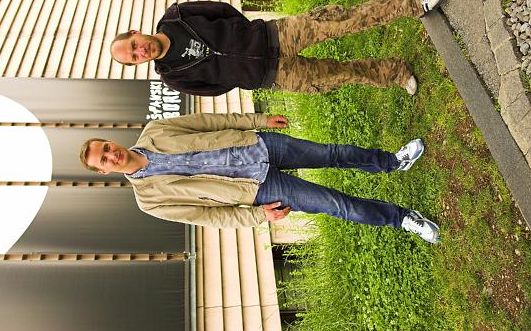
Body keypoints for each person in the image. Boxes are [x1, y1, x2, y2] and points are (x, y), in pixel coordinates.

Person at [79, 113, 439, 243]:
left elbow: (210, 123)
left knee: (333, 153)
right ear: (105, 171)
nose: (112, 155)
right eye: (104, 160)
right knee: (336, 205)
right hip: (258, 189)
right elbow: (208, 217)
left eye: (106, 147)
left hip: (257, 145)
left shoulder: (155, 130)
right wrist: (257, 215)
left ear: (111, 141)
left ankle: (393, 162)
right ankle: (402, 218)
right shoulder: (149, 200)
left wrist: (257, 120)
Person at [110, 0, 445, 96]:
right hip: (275, 77)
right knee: (341, 75)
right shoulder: (172, 76)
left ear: (135, 33)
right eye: (134, 57)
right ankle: (396, 72)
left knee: (346, 20)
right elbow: (215, 88)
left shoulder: (177, 15)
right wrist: (242, 73)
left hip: (277, 35)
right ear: (138, 63)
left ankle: (413, 3)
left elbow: (223, 10)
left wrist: (246, 35)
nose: (140, 51)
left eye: (133, 45)